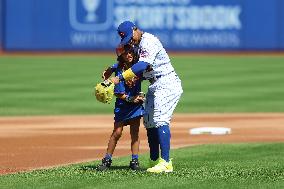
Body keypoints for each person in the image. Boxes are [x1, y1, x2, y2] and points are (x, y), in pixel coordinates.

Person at [110, 21, 183, 173]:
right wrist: (112, 68)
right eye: (127, 40)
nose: (130, 41)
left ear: (135, 29)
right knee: (149, 122)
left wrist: (120, 78)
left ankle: (166, 163)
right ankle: (154, 160)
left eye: (131, 37)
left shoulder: (149, 41)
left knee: (160, 119)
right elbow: (135, 66)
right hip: (155, 84)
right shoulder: (138, 44)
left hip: (167, 82)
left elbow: (142, 65)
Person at [97, 44, 145, 171]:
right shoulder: (120, 70)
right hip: (123, 105)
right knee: (117, 132)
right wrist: (132, 98)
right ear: (121, 56)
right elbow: (119, 94)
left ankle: (135, 161)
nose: (129, 55)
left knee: (135, 132)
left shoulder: (138, 66)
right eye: (125, 53)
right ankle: (107, 160)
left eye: (131, 52)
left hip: (136, 106)